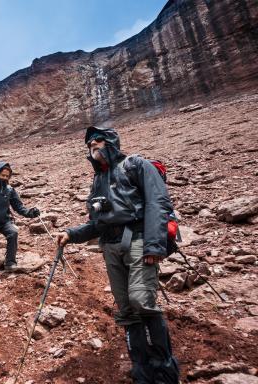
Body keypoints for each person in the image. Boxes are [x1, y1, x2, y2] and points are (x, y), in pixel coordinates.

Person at [56, 126, 179, 383]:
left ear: (111, 142)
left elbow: (158, 202)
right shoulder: (97, 180)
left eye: (98, 140)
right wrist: (72, 234)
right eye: (89, 143)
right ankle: (141, 371)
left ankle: (164, 371)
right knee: (126, 308)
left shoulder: (136, 165)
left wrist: (154, 246)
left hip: (138, 240)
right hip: (110, 247)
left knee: (141, 300)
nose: (93, 145)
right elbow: (96, 223)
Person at [0, 161, 40, 280]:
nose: (5, 178)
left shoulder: (10, 190)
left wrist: (30, 213)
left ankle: (10, 263)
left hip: (4, 221)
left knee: (13, 233)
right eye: (2, 175)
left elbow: (19, 207)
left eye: (7, 176)